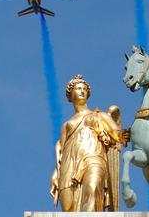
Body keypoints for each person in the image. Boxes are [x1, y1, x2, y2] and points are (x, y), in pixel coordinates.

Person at [50, 75, 125, 211]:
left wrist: (127, 134)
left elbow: (116, 133)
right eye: (78, 88)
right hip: (70, 164)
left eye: (84, 89)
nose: (82, 91)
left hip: (94, 158)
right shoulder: (66, 125)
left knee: (92, 187)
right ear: (70, 94)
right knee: (68, 208)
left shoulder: (100, 115)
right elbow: (62, 152)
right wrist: (56, 174)